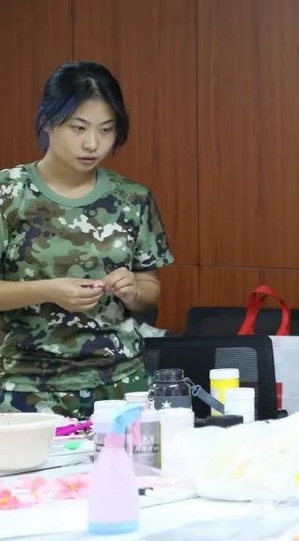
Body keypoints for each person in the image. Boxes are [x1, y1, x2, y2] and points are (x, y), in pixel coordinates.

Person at [0, 61, 173, 419]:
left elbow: (150, 289)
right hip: (25, 388)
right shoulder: (9, 193)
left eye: (106, 130)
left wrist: (133, 291)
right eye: (78, 128)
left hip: (120, 385)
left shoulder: (133, 199)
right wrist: (48, 290)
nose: (92, 144)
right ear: (48, 121)